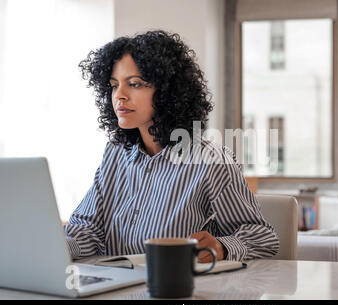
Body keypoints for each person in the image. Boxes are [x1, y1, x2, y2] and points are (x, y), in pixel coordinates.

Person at [65, 30, 279, 263]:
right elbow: (87, 231)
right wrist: (47, 246)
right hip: (115, 289)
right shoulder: (115, 154)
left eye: (135, 84)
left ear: (168, 91)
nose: (120, 96)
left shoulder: (211, 160)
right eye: (114, 85)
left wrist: (221, 247)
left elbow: (264, 239)